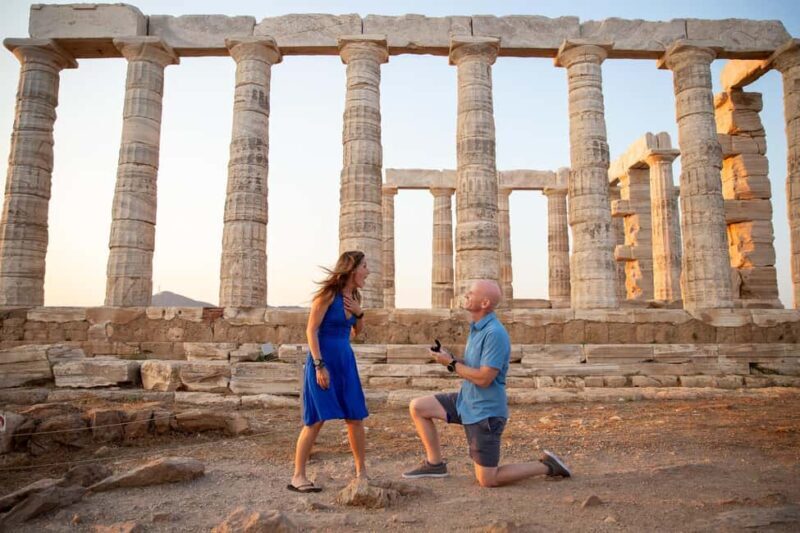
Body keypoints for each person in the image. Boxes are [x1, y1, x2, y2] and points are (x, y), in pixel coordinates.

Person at [403, 279, 572, 487]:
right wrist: (449, 358)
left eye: (471, 292)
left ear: (484, 303)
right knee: (418, 406)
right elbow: (475, 367)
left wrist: (452, 363)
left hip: (485, 414)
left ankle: (547, 466)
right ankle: (435, 464)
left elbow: (484, 379)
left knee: (487, 479)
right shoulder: (477, 328)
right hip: (466, 402)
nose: (466, 294)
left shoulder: (494, 333)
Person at [288, 250, 370, 493]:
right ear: (353, 268)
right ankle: (298, 476)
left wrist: (359, 313)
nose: (368, 271)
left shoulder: (354, 297)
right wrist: (318, 365)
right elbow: (311, 331)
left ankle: (361, 472)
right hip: (323, 362)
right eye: (365, 266)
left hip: (345, 362)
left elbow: (358, 333)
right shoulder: (327, 296)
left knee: (355, 417)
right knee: (316, 419)